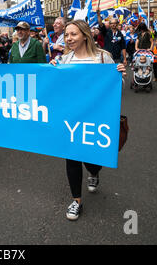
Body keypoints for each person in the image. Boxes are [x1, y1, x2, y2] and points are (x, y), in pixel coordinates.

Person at [50, 20, 126, 221]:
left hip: (96, 118)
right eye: (66, 35)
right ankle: (76, 201)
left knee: (92, 159)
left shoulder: (103, 57)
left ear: (85, 35)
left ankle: (94, 171)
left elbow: (116, 86)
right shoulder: (63, 60)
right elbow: (54, 86)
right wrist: (49, 71)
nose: (69, 38)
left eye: (73, 34)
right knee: (72, 157)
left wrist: (120, 76)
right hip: (71, 118)